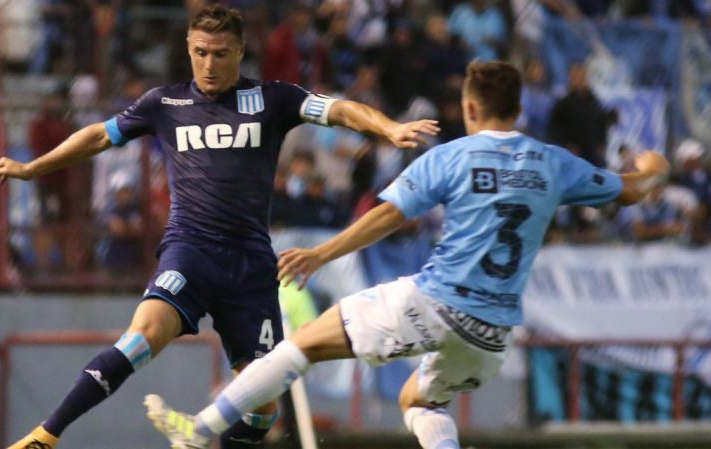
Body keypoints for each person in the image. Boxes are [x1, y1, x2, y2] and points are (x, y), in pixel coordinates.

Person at [142, 60, 671, 449]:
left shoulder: (451, 157)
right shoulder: (553, 162)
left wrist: (321, 254)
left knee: (298, 346)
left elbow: (388, 216)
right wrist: (655, 171)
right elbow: (630, 189)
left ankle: (200, 428)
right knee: (419, 401)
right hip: (493, 332)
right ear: (518, 109)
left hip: (437, 302)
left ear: (469, 108)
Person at [0, 4, 439, 449]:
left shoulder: (274, 99)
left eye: (220, 54)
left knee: (262, 408)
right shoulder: (165, 103)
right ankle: (46, 436)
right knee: (142, 337)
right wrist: (32, 167)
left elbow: (340, 109)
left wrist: (388, 129)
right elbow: (100, 135)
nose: (209, 64)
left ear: (240, 51)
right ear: (189, 49)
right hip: (191, 251)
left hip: (250, 267)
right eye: (200, 52)